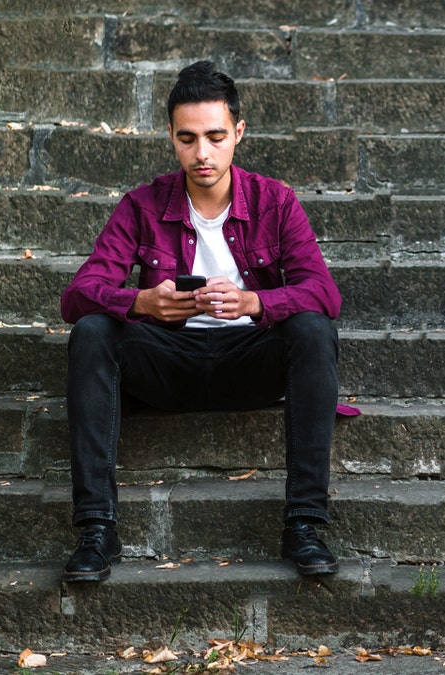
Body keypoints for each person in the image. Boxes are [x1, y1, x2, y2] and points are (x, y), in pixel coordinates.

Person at [59, 61, 342, 581]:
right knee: (94, 330)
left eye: (215, 136)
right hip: (169, 364)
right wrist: (143, 303)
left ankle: (304, 524)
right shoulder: (142, 205)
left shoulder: (275, 201)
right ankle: (97, 531)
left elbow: (324, 293)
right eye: (187, 139)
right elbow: (77, 295)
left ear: (238, 132)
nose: (202, 153)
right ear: (170, 136)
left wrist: (256, 304)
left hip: (248, 363)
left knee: (312, 327)